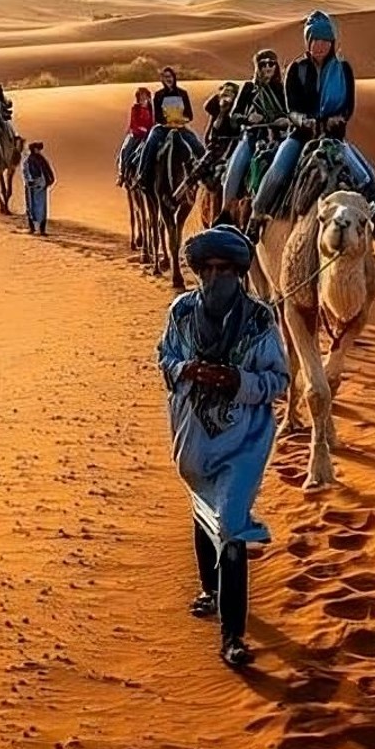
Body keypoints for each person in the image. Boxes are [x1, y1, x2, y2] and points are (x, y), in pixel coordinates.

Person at [157, 225, 289, 669]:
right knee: (203, 507)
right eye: (208, 269)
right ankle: (209, 589)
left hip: (244, 439)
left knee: (231, 524)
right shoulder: (181, 312)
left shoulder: (259, 319)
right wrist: (189, 369)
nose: (216, 277)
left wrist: (237, 381)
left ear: (239, 270)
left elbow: (279, 380)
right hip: (193, 434)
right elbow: (165, 358)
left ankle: (232, 636)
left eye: (225, 269)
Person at [248, 11, 375, 251]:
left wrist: (338, 119)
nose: (320, 46)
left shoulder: (344, 70)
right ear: (307, 41)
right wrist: (304, 121)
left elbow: (349, 106)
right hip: (301, 136)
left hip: (334, 138)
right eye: (315, 40)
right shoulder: (296, 69)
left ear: (332, 43)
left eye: (325, 41)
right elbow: (291, 110)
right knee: (278, 170)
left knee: (367, 177)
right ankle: (256, 217)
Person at [220, 50, 291, 210]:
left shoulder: (283, 89)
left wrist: (286, 120)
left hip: (279, 138)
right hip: (252, 137)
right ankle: (225, 211)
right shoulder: (249, 88)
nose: (267, 67)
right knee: (235, 171)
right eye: (263, 64)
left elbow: (292, 113)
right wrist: (248, 119)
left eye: (271, 63)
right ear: (257, 67)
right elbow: (234, 116)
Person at [135, 67, 202, 187]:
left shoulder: (183, 94)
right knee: (151, 142)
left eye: (170, 77)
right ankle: (143, 174)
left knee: (196, 143)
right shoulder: (159, 95)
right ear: (162, 80)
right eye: (165, 77)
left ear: (174, 78)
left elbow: (189, 115)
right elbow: (158, 118)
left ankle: (206, 173)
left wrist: (181, 120)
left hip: (180, 128)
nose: (168, 79)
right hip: (164, 129)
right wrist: (168, 121)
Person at [116, 86, 155, 185]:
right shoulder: (135, 108)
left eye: (145, 95)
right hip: (136, 134)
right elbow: (134, 122)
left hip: (149, 135)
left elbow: (154, 121)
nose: (143, 98)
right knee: (125, 150)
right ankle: (122, 174)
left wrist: (150, 129)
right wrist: (140, 129)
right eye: (141, 95)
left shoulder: (151, 108)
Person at [202, 81, 242, 166]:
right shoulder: (215, 102)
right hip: (215, 141)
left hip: (231, 142)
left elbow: (234, 128)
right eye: (226, 89)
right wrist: (222, 111)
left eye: (231, 91)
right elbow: (215, 127)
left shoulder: (238, 107)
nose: (227, 92)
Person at [22, 141, 55, 235]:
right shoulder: (28, 160)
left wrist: (50, 180)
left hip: (41, 187)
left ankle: (42, 230)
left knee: (42, 209)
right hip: (32, 188)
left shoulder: (41, 159)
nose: (39, 151)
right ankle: (32, 228)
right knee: (31, 208)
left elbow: (47, 170)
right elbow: (26, 173)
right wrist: (30, 181)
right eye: (37, 149)